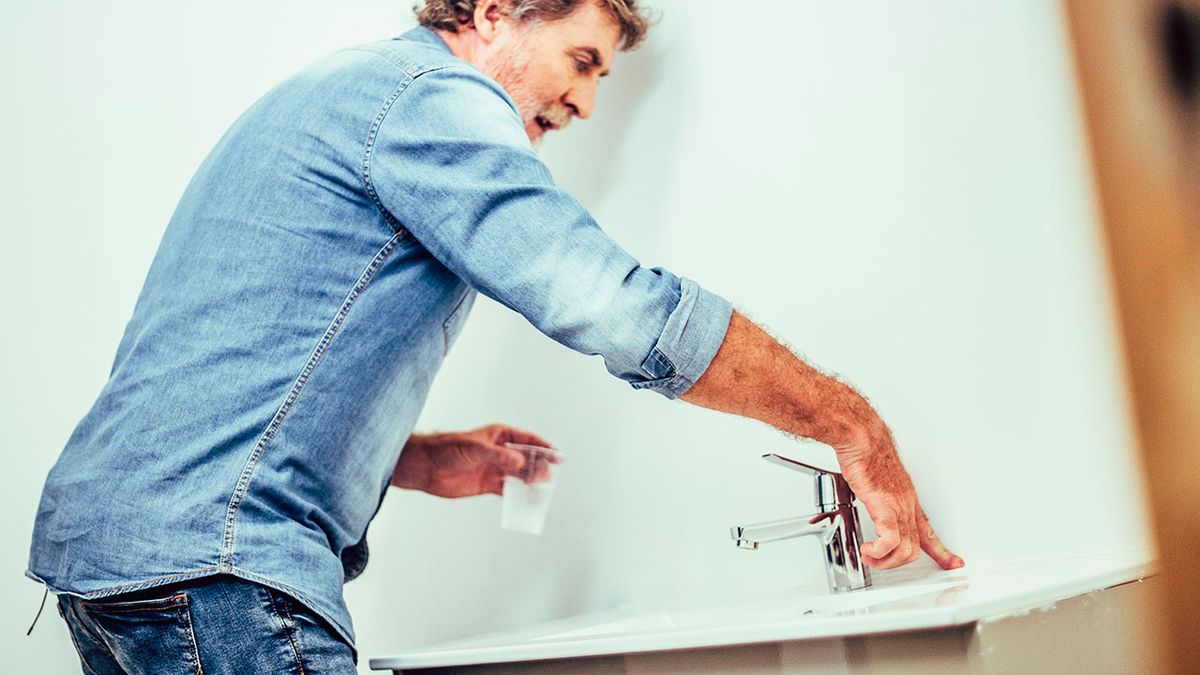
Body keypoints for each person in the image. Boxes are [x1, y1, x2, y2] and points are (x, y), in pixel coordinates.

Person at [26, 0, 963, 672]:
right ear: (493, 10)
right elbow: (613, 305)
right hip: (219, 574)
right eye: (585, 60)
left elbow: (233, 362)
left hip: (120, 569)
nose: (587, 104)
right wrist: (848, 423)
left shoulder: (345, 91)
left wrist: (411, 456)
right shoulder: (431, 99)